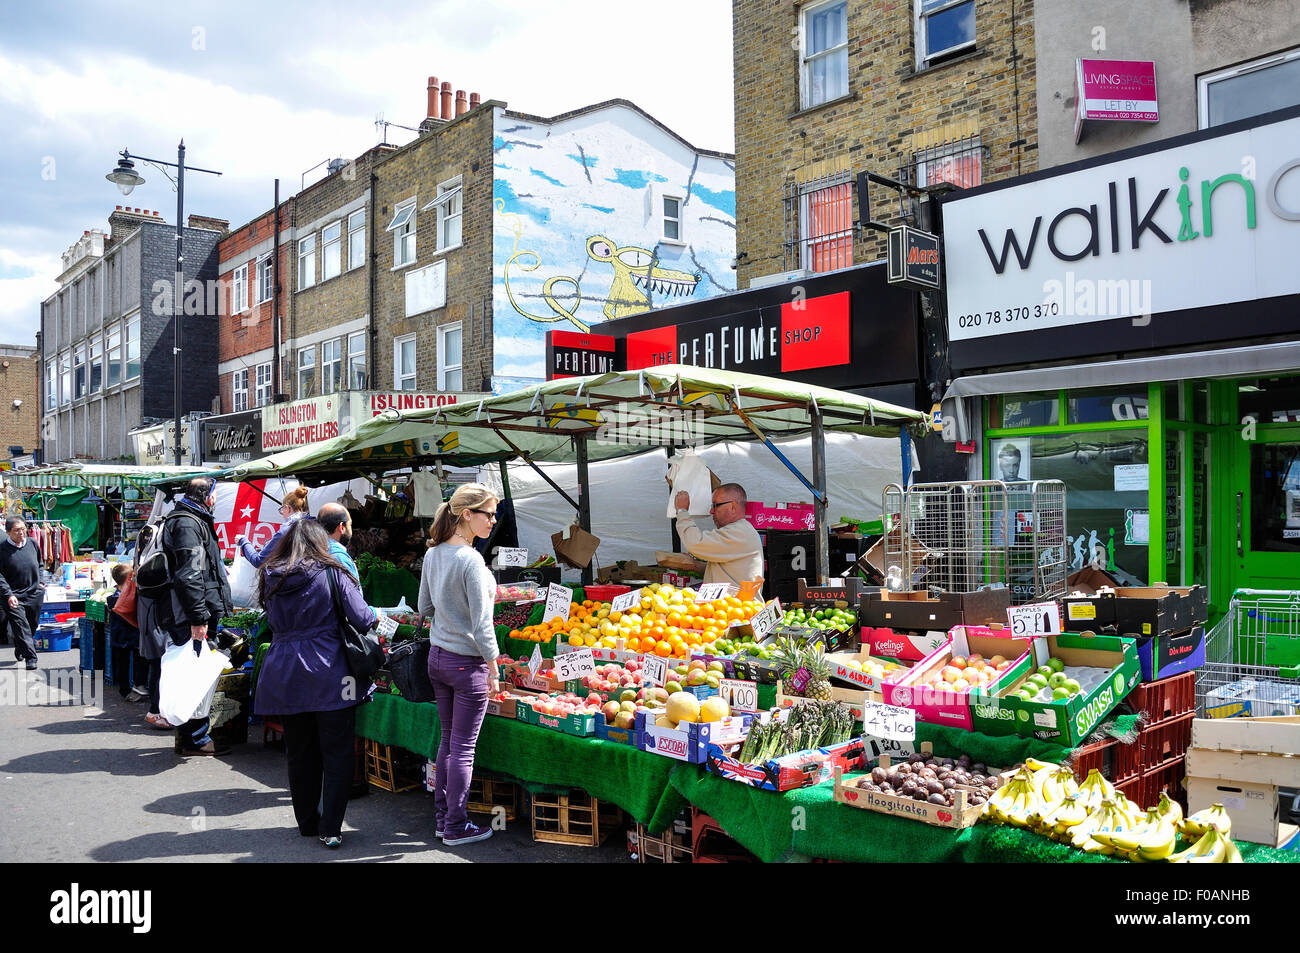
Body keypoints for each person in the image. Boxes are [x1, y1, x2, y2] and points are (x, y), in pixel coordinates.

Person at [254, 518, 381, 849]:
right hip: (332, 673)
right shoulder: (332, 571)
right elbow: (364, 617)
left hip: (284, 671)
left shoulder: (269, 575)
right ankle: (331, 828)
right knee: (337, 752)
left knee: (299, 752)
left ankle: (307, 822)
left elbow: (269, 618)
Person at [417, 483, 502, 847]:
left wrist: (448, 619)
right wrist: (494, 667)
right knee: (463, 748)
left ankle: (443, 818)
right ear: (467, 514)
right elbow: (483, 625)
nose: (493, 521)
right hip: (466, 664)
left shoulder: (433, 554)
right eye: (488, 514)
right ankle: (455, 824)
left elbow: (424, 607)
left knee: (449, 742)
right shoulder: (470, 560)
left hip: (438, 659)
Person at [156, 478, 234, 756]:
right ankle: (197, 739)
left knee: (194, 672)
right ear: (205, 496)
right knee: (194, 675)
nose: (215, 499)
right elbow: (190, 573)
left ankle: (191, 736)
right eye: (213, 494)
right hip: (189, 613)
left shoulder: (193, 519)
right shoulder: (188, 523)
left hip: (192, 610)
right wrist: (198, 618)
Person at [673, 482, 764, 588]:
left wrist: (682, 511)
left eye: (715, 505)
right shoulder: (739, 530)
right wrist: (695, 565)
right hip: (728, 603)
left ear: (733, 507)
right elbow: (724, 569)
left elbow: (695, 543)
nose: (711, 511)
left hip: (737, 604)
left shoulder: (739, 532)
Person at [0, 516, 42, 670]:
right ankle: (31, 658)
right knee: (21, 625)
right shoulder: (2, 549)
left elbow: (40, 564)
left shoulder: (33, 543)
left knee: (32, 625)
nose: (21, 533)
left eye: (23, 529)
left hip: (34, 593)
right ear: (8, 532)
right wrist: (8, 594)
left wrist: (41, 581)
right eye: (17, 530)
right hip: (13, 595)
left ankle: (20, 646)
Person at [236, 486, 310, 567]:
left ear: (287, 508)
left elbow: (258, 561)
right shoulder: (315, 525)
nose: (282, 515)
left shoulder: (286, 531)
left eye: (282, 510)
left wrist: (243, 541)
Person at [107, 563, 147, 702]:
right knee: (136, 660)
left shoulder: (113, 597)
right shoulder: (124, 598)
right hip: (131, 636)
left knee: (123, 664)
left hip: (119, 637)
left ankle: (126, 689)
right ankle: (134, 686)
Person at [317, 502, 359, 579]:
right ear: (341, 528)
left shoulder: (314, 550)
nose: (351, 529)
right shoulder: (340, 559)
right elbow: (351, 590)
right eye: (350, 525)